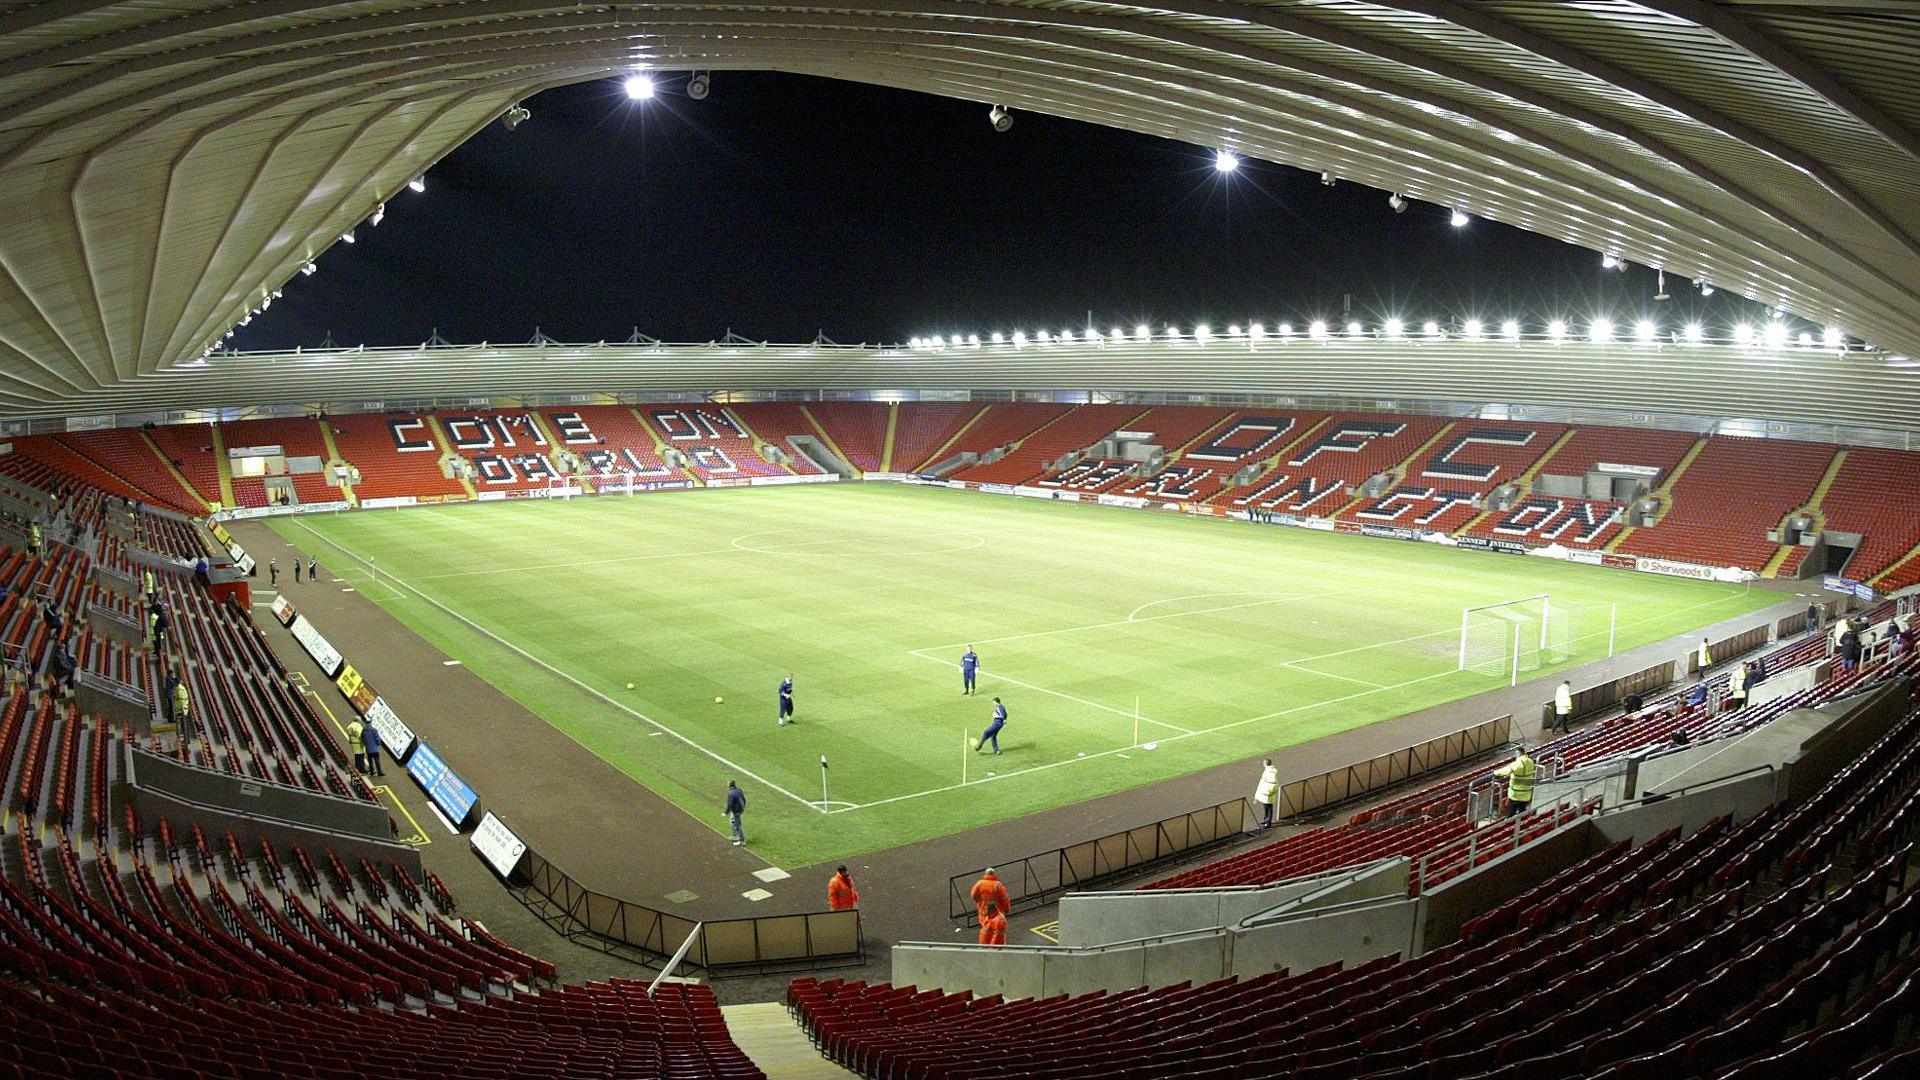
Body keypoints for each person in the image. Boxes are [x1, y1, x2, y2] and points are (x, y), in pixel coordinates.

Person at [1492, 744, 1537, 817]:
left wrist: (1494, 772)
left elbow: (1505, 771)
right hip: (1526, 792)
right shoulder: (1531, 762)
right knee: (1522, 812)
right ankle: (1522, 825)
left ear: (1518, 754)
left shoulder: (1517, 764)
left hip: (1516, 793)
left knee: (1511, 813)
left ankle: (1508, 826)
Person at [1254, 758, 1279, 828]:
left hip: (1268, 793)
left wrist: (1269, 792)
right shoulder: (1268, 771)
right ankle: (1266, 819)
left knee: (1269, 807)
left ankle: (1268, 822)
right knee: (1266, 806)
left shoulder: (1270, 772)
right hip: (1265, 793)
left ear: (1266, 764)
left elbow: (1273, 784)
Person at [724, 780, 747, 845]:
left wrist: (726, 812)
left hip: (736, 811)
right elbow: (744, 799)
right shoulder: (739, 790)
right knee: (732, 822)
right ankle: (735, 836)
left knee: (737, 824)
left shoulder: (731, 793)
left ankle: (742, 840)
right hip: (740, 809)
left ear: (729, 785)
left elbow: (730, 804)